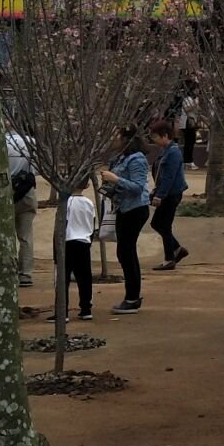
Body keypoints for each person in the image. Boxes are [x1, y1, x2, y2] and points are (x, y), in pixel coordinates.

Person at [99, 126, 151, 315]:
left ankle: (132, 298)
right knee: (125, 252)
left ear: (125, 138)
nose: (113, 138)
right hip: (123, 207)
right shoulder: (120, 157)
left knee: (127, 253)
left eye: (116, 135)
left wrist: (115, 179)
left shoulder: (137, 159)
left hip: (135, 209)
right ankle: (131, 296)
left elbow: (138, 187)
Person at [149, 121, 190, 271]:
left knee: (163, 225)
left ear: (165, 135)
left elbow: (168, 177)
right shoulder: (165, 150)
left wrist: (159, 195)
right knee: (159, 224)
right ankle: (177, 249)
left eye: (156, 137)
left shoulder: (173, 152)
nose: (154, 140)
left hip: (171, 194)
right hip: (166, 192)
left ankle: (169, 258)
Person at [5, 130, 38, 288]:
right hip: (27, 192)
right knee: (26, 237)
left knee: (6, 235)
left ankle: (7, 270)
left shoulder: (1, 141)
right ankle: (25, 273)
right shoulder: (31, 142)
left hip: (6, 190)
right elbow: (37, 169)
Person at [60, 190, 98, 322]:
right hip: (84, 242)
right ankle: (86, 309)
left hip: (68, 242)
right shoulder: (89, 203)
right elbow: (92, 224)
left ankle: (62, 311)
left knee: (63, 277)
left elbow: (62, 223)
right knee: (85, 277)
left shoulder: (67, 202)